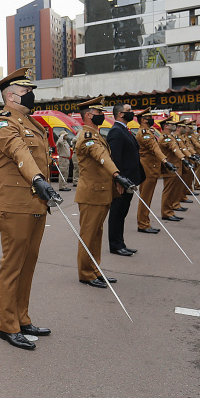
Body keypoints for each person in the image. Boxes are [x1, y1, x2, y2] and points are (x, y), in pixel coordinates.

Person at [0, 67, 60, 351]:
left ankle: (22, 318)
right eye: (28, 92)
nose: (32, 96)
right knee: (13, 267)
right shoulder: (3, 124)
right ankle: (8, 326)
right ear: (12, 96)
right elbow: (20, 153)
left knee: (28, 266)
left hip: (34, 204)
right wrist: (39, 179)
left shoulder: (32, 122)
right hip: (14, 207)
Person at [74, 96, 134, 288]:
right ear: (90, 115)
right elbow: (101, 157)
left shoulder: (97, 134)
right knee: (88, 235)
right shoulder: (87, 137)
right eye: (100, 112)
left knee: (97, 235)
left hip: (100, 193)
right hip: (91, 194)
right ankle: (85, 273)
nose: (103, 115)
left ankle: (95, 269)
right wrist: (117, 175)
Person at [106, 103, 144, 257]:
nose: (132, 113)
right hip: (122, 181)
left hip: (129, 180)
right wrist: (118, 180)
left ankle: (120, 243)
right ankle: (115, 245)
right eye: (129, 111)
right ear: (120, 114)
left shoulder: (124, 130)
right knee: (117, 213)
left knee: (122, 213)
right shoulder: (116, 131)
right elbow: (115, 158)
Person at [135, 109, 176, 234]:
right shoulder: (144, 133)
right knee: (145, 197)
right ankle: (143, 224)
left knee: (148, 197)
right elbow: (154, 147)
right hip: (147, 168)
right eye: (149, 117)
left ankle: (145, 222)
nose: (152, 119)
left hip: (151, 167)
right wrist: (165, 161)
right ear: (143, 120)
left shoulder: (148, 131)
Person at [158, 118, 187, 222]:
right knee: (168, 191)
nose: (174, 126)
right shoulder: (165, 138)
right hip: (169, 168)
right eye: (171, 124)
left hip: (174, 167)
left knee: (172, 191)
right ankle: (166, 212)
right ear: (166, 126)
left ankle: (170, 210)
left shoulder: (170, 136)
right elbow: (174, 148)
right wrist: (183, 158)